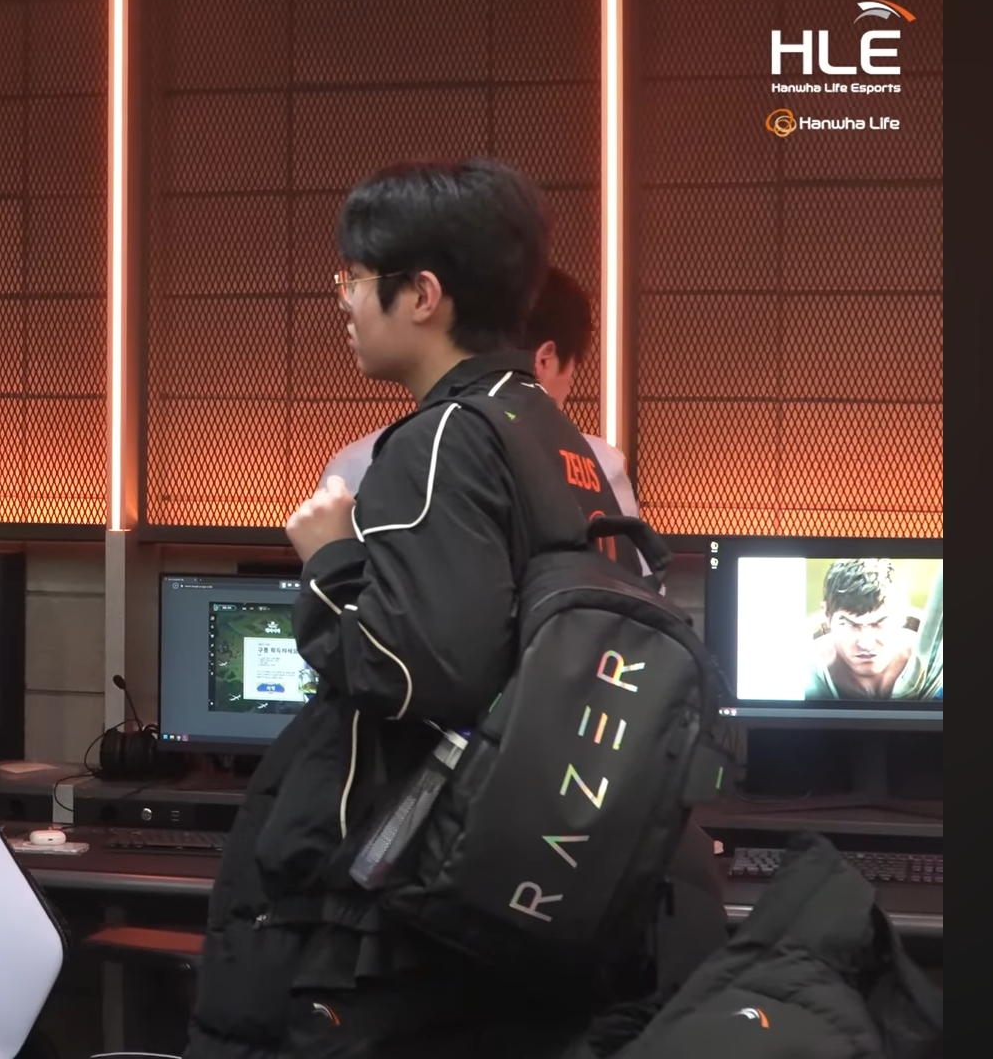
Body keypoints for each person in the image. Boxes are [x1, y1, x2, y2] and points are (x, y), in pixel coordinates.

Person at [186, 158, 647, 1059]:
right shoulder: (558, 440)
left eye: (354, 280)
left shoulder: (439, 440)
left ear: (423, 295)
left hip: (397, 907)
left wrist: (330, 559)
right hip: (505, 888)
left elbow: (416, 671)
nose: (344, 303)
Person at [321, 266, 637, 520]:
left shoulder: (354, 465)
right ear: (545, 359)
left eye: (357, 281)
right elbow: (631, 577)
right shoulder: (599, 463)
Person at [805, 559, 942, 700]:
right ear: (827, 615)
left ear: (903, 614)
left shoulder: (939, 663)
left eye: (880, 622)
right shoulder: (801, 672)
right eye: (849, 624)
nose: (866, 644)